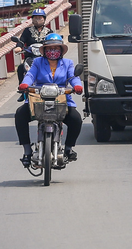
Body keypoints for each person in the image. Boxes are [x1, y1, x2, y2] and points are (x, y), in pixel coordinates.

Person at [16, 33, 83, 166]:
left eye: (56, 49)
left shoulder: (68, 63)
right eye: (49, 49)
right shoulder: (37, 62)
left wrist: (77, 85)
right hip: (38, 98)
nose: (53, 51)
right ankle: (27, 151)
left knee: (76, 119)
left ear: (61, 51)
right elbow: (30, 75)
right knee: (20, 114)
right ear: (44, 50)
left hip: (62, 99)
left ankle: (69, 149)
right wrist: (25, 84)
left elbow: (72, 77)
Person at [15, 8, 49, 85]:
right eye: (35, 18)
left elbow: (53, 40)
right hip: (30, 56)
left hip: (45, 57)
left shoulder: (49, 31)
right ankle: (22, 89)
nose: (38, 20)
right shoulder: (27, 31)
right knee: (21, 68)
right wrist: (19, 47)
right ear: (32, 19)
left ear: (44, 19)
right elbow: (21, 41)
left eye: (40, 18)